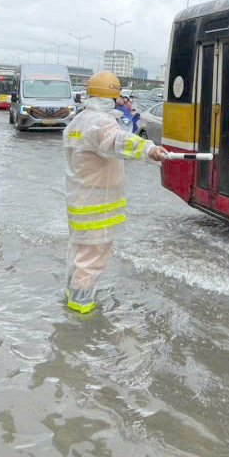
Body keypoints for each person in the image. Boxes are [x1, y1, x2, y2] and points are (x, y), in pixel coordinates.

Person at [62, 71, 167, 314]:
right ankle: (81, 315)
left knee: (78, 255)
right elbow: (117, 140)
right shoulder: (101, 122)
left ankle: (71, 300)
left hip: (79, 202)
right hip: (96, 205)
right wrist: (147, 148)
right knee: (92, 260)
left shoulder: (77, 122)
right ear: (112, 96)